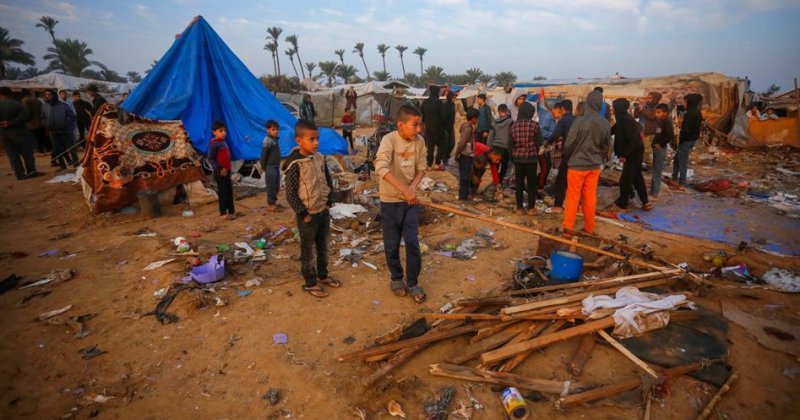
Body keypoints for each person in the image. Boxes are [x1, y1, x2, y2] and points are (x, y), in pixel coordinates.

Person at [374, 105, 428, 303]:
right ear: (401, 125)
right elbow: (380, 167)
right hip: (390, 201)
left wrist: (412, 188)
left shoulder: (419, 141)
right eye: (415, 125)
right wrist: (403, 189)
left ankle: (412, 282)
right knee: (392, 244)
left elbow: (422, 168)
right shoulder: (389, 140)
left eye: (420, 125)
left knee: (413, 242)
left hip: (410, 202)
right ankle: (396, 279)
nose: (419, 130)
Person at [283, 119, 340, 298]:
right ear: (299, 141)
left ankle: (322, 275)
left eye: (317, 139)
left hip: (323, 211)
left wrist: (329, 201)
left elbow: (327, 180)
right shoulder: (294, 164)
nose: (316, 143)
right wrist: (303, 213)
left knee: (323, 246)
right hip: (307, 215)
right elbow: (291, 193)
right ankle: (310, 282)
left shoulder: (319, 158)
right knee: (308, 251)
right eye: (311, 139)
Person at [562, 90, 611, 234]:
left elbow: (568, 144)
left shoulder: (580, 121)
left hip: (577, 165)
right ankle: (590, 228)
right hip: (594, 166)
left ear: (588, 103)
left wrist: (569, 157)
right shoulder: (605, 123)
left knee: (572, 197)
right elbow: (606, 146)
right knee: (590, 197)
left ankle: (568, 227)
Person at [611, 98, 650, 212]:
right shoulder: (623, 119)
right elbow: (611, 131)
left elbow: (632, 141)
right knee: (637, 178)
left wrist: (624, 154)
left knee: (625, 180)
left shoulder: (626, 120)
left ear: (618, 108)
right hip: (634, 152)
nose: (612, 110)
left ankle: (622, 205)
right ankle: (645, 202)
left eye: (614, 107)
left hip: (633, 153)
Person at [0, 87, 42, 180]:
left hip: (4, 135)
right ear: (10, 94)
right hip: (20, 133)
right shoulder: (17, 104)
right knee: (27, 153)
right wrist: (11, 122)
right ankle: (31, 171)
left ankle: (19, 174)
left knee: (12, 155)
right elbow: (26, 116)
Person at [510, 102, 542, 215]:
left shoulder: (513, 126)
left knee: (519, 184)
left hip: (518, 159)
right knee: (531, 184)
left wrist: (512, 158)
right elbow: (539, 143)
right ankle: (531, 208)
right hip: (531, 159)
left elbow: (510, 144)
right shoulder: (535, 125)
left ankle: (519, 208)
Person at [544, 100, 576, 213]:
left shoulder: (563, 120)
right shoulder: (577, 119)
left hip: (568, 155)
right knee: (573, 182)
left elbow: (555, 135)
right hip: (577, 155)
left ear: (562, 108)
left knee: (561, 180)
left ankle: (558, 205)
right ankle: (573, 205)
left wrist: (546, 143)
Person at [671, 94, 702, 189]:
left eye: (685, 102)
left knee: (682, 162)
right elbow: (681, 109)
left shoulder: (691, 114)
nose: (683, 103)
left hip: (686, 140)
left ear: (690, 102)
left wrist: (681, 140)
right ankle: (674, 178)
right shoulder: (695, 111)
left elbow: (686, 130)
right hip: (691, 139)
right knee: (677, 159)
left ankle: (682, 183)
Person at [42, 89, 78, 169]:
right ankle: (62, 166)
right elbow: (43, 117)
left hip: (65, 130)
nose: (48, 96)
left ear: (54, 95)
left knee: (71, 147)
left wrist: (67, 125)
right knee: (57, 149)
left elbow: (72, 116)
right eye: (46, 95)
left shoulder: (63, 105)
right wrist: (46, 124)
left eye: (49, 94)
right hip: (53, 131)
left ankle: (75, 163)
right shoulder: (45, 106)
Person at [207, 120, 236, 220]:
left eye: (224, 131)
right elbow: (210, 158)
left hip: (226, 171)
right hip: (220, 172)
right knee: (223, 192)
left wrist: (227, 168)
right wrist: (220, 168)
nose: (223, 133)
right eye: (220, 131)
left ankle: (231, 212)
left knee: (229, 191)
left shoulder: (223, 142)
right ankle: (223, 213)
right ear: (214, 132)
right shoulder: (214, 144)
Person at [650, 103, 674, 198]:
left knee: (657, 170)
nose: (657, 114)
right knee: (655, 169)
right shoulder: (660, 121)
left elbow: (670, 135)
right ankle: (653, 190)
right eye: (656, 112)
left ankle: (655, 192)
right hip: (656, 147)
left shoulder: (666, 122)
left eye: (659, 112)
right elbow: (659, 133)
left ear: (665, 113)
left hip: (660, 148)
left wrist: (660, 144)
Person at [454, 108, 479, 200]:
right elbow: (462, 143)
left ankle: (465, 194)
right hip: (465, 156)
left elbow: (468, 143)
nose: (477, 121)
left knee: (467, 175)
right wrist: (457, 154)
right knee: (465, 177)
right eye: (476, 119)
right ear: (472, 118)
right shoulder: (467, 129)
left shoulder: (469, 127)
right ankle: (463, 196)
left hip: (468, 154)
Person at [634, 92, 662, 169]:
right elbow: (636, 115)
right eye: (648, 98)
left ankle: (650, 166)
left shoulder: (657, 107)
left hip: (651, 132)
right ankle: (649, 165)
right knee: (645, 149)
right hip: (643, 130)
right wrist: (637, 107)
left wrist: (642, 109)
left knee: (647, 150)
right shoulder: (646, 106)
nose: (648, 100)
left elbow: (651, 116)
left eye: (650, 98)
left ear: (655, 99)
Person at [486, 104, 512, 185]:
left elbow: (490, 136)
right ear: (507, 111)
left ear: (498, 111)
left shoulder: (494, 122)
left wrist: (488, 148)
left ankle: (495, 182)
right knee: (504, 167)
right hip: (506, 148)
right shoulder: (510, 122)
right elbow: (512, 136)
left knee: (495, 167)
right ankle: (500, 182)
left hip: (495, 147)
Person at [260, 120, 283, 212]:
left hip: (276, 166)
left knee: (276, 185)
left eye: (277, 129)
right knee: (271, 186)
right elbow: (264, 155)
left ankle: (275, 201)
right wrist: (264, 166)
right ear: (267, 130)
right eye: (273, 129)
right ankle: (270, 204)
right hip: (270, 167)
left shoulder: (275, 139)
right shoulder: (267, 140)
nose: (276, 131)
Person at [421, 85, 446, 169]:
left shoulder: (425, 102)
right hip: (439, 129)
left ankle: (429, 165)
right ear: (437, 92)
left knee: (430, 147)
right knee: (441, 146)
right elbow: (443, 116)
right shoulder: (439, 103)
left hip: (428, 128)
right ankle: (437, 163)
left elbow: (422, 116)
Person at [21, 90, 51, 155]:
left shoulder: (25, 100)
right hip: (41, 122)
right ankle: (49, 150)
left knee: (36, 139)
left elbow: (26, 112)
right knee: (43, 137)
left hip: (32, 124)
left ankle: (40, 151)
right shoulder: (37, 100)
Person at [442, 92, 457, 167]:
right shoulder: (445, 106)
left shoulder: (453, 105)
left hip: (451, 127)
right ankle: (444, 160)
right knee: (446, 144)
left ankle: (446, 157)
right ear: (450, 98)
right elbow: (443, 118)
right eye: (453, 98)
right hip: (445, 128)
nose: (454, 99)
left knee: (452, 143)